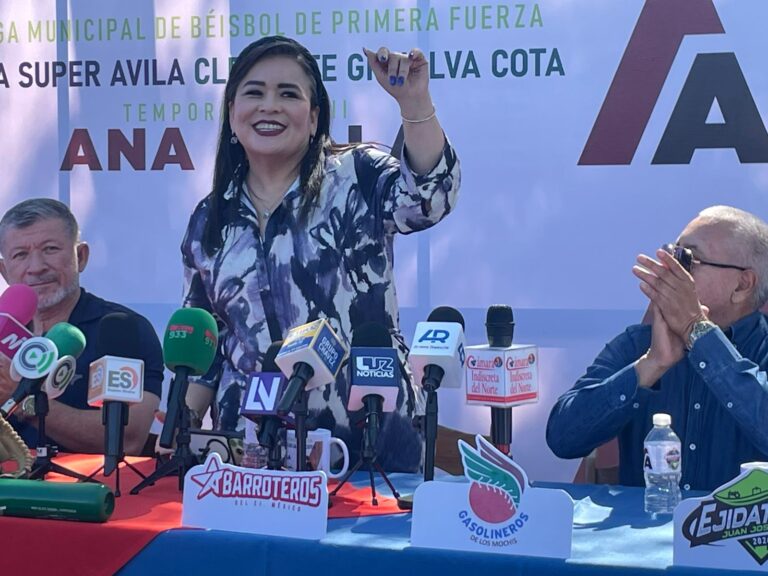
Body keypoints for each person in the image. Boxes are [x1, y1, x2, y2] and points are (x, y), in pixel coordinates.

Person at [182, 36, 460, 472]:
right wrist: (181, 427)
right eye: (254, 93)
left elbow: (430, 197)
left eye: (288, 94)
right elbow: (208, 346)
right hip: (252, 457)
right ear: (232, 115)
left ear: (314, 118)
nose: (269, 106)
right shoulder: (209, 219)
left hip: (369, 447)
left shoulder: (355, 177)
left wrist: (414, 102)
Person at [547, 206, 768, 491]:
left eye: (686, 259)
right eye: (670, 254)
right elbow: (562, 438)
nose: (667, 269)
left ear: (742, 285)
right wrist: (649, 366)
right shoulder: (639, 344)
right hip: (649, 521)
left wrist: (699, 333)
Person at [0, 198, 164, 454]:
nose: (36, 267)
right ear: (4, 270)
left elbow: (128, 438)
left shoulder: (122, 330)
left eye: (50, 249)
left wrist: (20, 400)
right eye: (20, 255)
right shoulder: (4, 326)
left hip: (88, 479)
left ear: (81, 256)